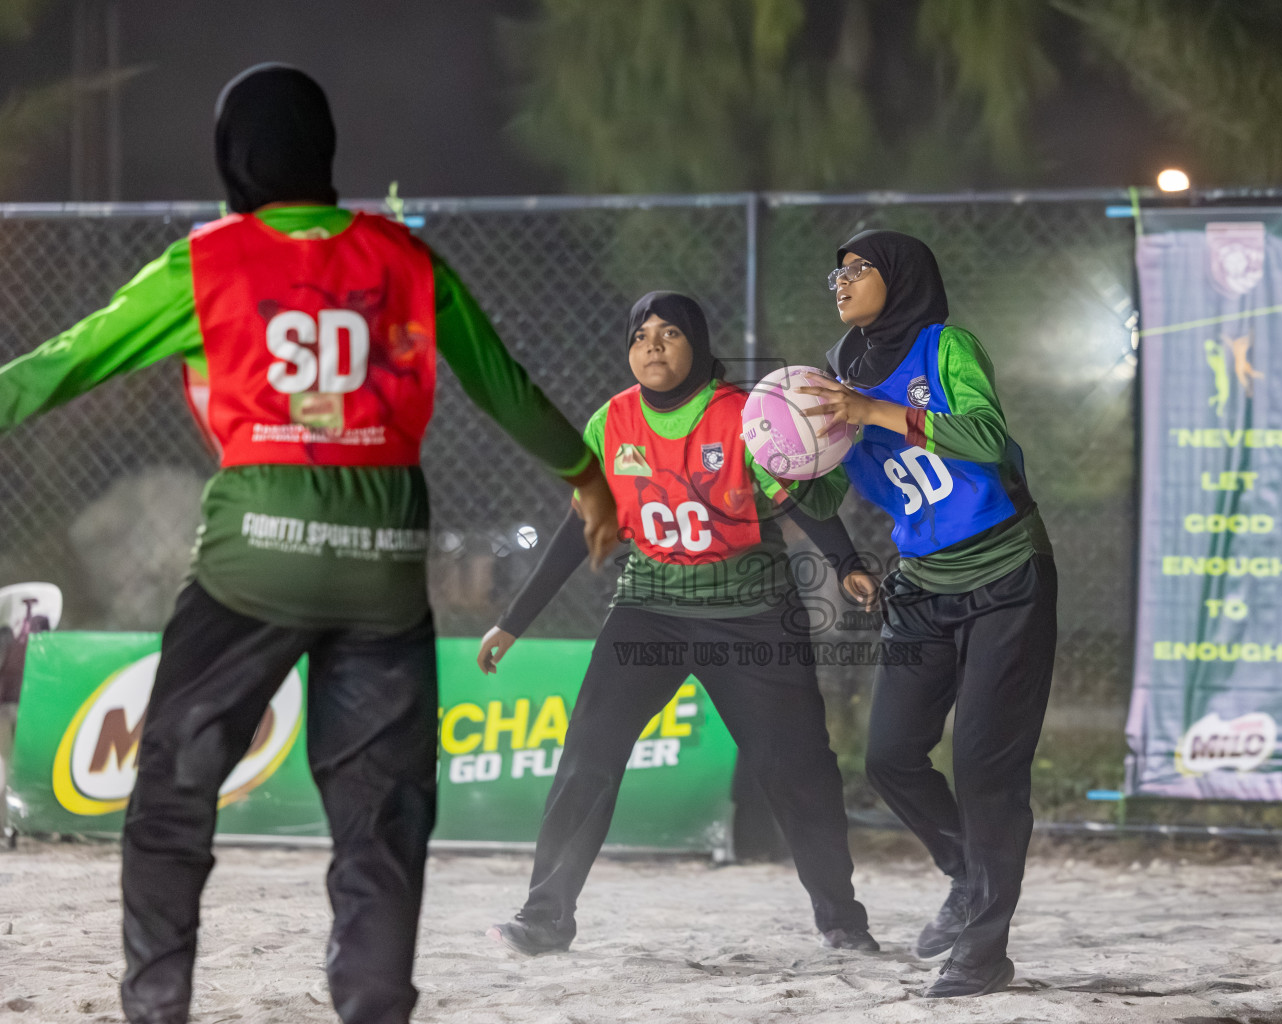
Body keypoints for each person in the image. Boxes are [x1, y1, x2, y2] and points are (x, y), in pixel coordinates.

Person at [0, 64, 618, 1024]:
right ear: (321, 152)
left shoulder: (207, 261)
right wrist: (586, 477)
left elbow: (59, 366)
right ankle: (373, 1000)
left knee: (171, 788)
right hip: (381, 569)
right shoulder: (405, 259)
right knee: (382, 814)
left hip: (254, 563)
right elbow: (503, 384)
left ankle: (157, 1002)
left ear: (233, 157)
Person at [478, 291, 880, 955]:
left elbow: (802, 503)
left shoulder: (743, 416)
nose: (653, 345)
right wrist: (512, 621)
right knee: (588, 757)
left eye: (669, 332)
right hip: (649, 612)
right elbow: (584, 527)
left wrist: (846, 563)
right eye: (641, 334)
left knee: (798, 767)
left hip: (751, 614)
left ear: (698, 344)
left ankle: (841, 917)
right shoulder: (612, 421)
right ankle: (545, 917)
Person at [798, 230, 1057, 998]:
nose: (840, 282)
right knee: (889, 757)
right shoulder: (840, 369)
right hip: (923, 584)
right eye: (835, 271)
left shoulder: (947, 347)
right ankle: (967, 874)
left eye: (856, 269)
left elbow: (985, 437)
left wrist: (877, 412)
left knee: (987, 768)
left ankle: (985, 949)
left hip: (1007, 572)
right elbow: (822, 488)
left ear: (900, 278)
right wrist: (777, 467)